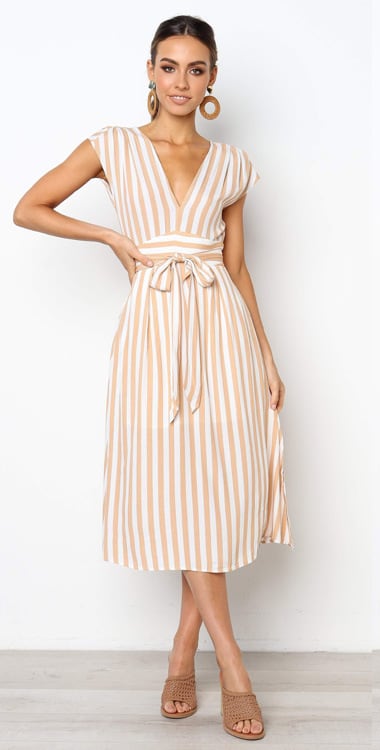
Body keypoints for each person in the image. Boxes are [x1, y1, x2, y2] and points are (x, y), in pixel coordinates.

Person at [13, 14, 292, 742]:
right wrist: (109, 234)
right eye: (169, 67)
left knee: (214, 494)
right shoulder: (112, 146)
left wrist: (266, 356)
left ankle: (180, 653)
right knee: (175, 490)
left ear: (213, 78)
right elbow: (28, 208)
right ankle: (232, 666)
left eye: (196, 69)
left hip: (223, 332)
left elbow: (237, 268)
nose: (181, 82)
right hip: (151, 335)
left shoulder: (232, 163)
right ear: (149, 71)